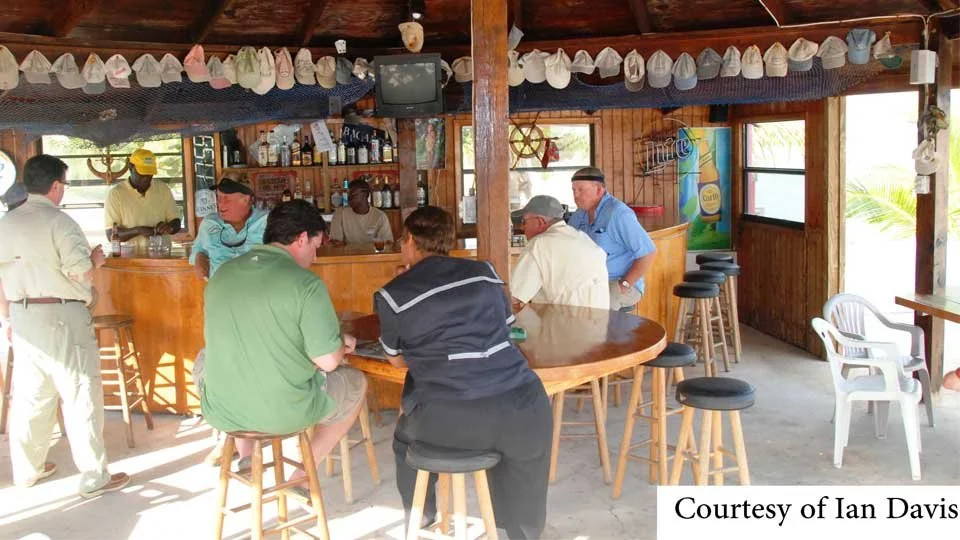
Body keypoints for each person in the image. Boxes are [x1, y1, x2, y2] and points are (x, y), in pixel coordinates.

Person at [375, 206, 551, 539]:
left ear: (410, 240)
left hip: (447, 419)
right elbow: (507, 330)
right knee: (525, 464)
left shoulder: (393, 296)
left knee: (404, 442)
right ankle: (519, 530)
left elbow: (397, 362)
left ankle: (422, 514)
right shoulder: (484, 273)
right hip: (524, 407)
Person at [199, 200, 366, 486]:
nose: (315, 256)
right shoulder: (305, 284)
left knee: (205, 357)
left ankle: (247, 453)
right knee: (355, 383)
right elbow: (328, 361)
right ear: (301, 238)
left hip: (219, 410)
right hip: (282, 412)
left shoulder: (222, 274)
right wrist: (340, 343)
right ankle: (300, 478)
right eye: (315, 246)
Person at [0, 154, 129, 498]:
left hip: (22, 316)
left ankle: (28, 471)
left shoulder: (6, 223)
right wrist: (96, 260)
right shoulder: (60, 222)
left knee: (31, 397)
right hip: (61, 316)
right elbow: (79, 272)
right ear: (56, 186)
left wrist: (7, 318)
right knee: (81, 393)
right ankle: (93, 475)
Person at [567, 167, 656, 311]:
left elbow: (648, 253)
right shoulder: (580, 214)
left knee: (596, 313)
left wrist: (624, 285)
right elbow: (566, 241)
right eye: (573, 190)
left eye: (581, 190)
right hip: (588, 282)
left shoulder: (618, 214)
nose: (575, 195)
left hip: (616, 283)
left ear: (599, 190)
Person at [510, 194, 609, 309]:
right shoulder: (583, 238)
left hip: (563, 324)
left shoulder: (538, 245)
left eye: (524, 221)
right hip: (600, 323)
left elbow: (513, 297)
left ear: (540, 221)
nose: (522, 227)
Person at [190, 176, 268, 280]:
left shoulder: (268, 222)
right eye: (218, 197)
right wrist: (199, 257)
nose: (220, 203)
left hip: (257, 291)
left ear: (245, 199)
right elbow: (198, 249)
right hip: (220, 291)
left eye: (226, 198)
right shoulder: (209, 223)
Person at [103, 148, 181, 249]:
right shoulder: (116, 194)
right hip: (130, 260)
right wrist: (138, 230)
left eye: (150, 174)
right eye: (142, 173)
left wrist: (169, 227)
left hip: (161, 257)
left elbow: (176, 222)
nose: (146, 178)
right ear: (130, 167)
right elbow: (110, 234)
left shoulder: (162, 189)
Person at [329, 179, 393, 245]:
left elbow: (386, 244)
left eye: (353, 194)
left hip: (372, 254)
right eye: (348, 194)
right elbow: (336, 243)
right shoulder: (340, 214)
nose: (349, 198)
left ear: (365, 195)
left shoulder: (380, 216)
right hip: (348, 254)